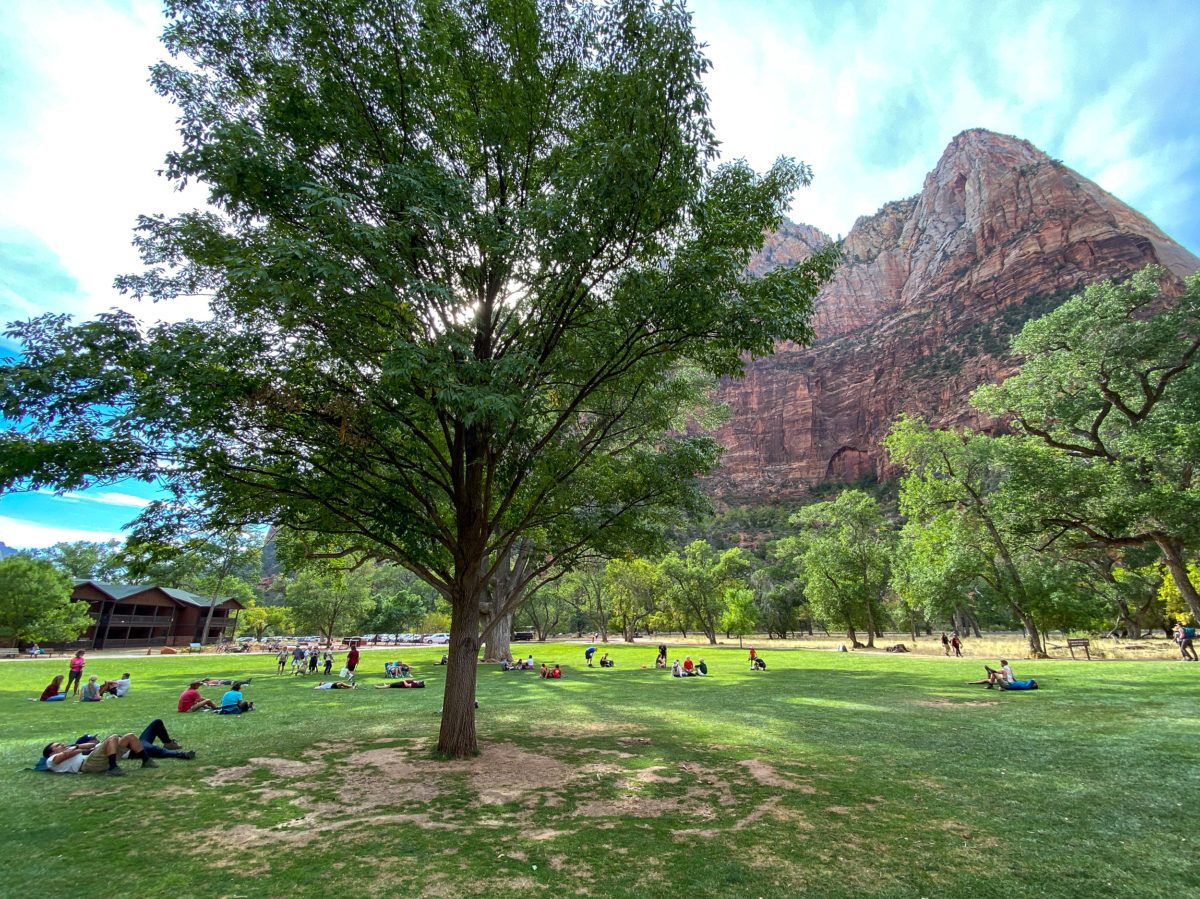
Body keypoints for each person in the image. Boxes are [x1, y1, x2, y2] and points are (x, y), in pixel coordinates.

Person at [40, 733, 156, 777]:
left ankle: (146, 761)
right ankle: (112, 768)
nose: (62, 744)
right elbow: (64, 756)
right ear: (52, 751)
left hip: (95, 759)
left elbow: (90, 745)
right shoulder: (51, 760)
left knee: (130, 736)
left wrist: (77, 746)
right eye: (57, 745)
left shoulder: (70, 749)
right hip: (87, 764)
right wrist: (76, 748)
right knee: (113, 737)